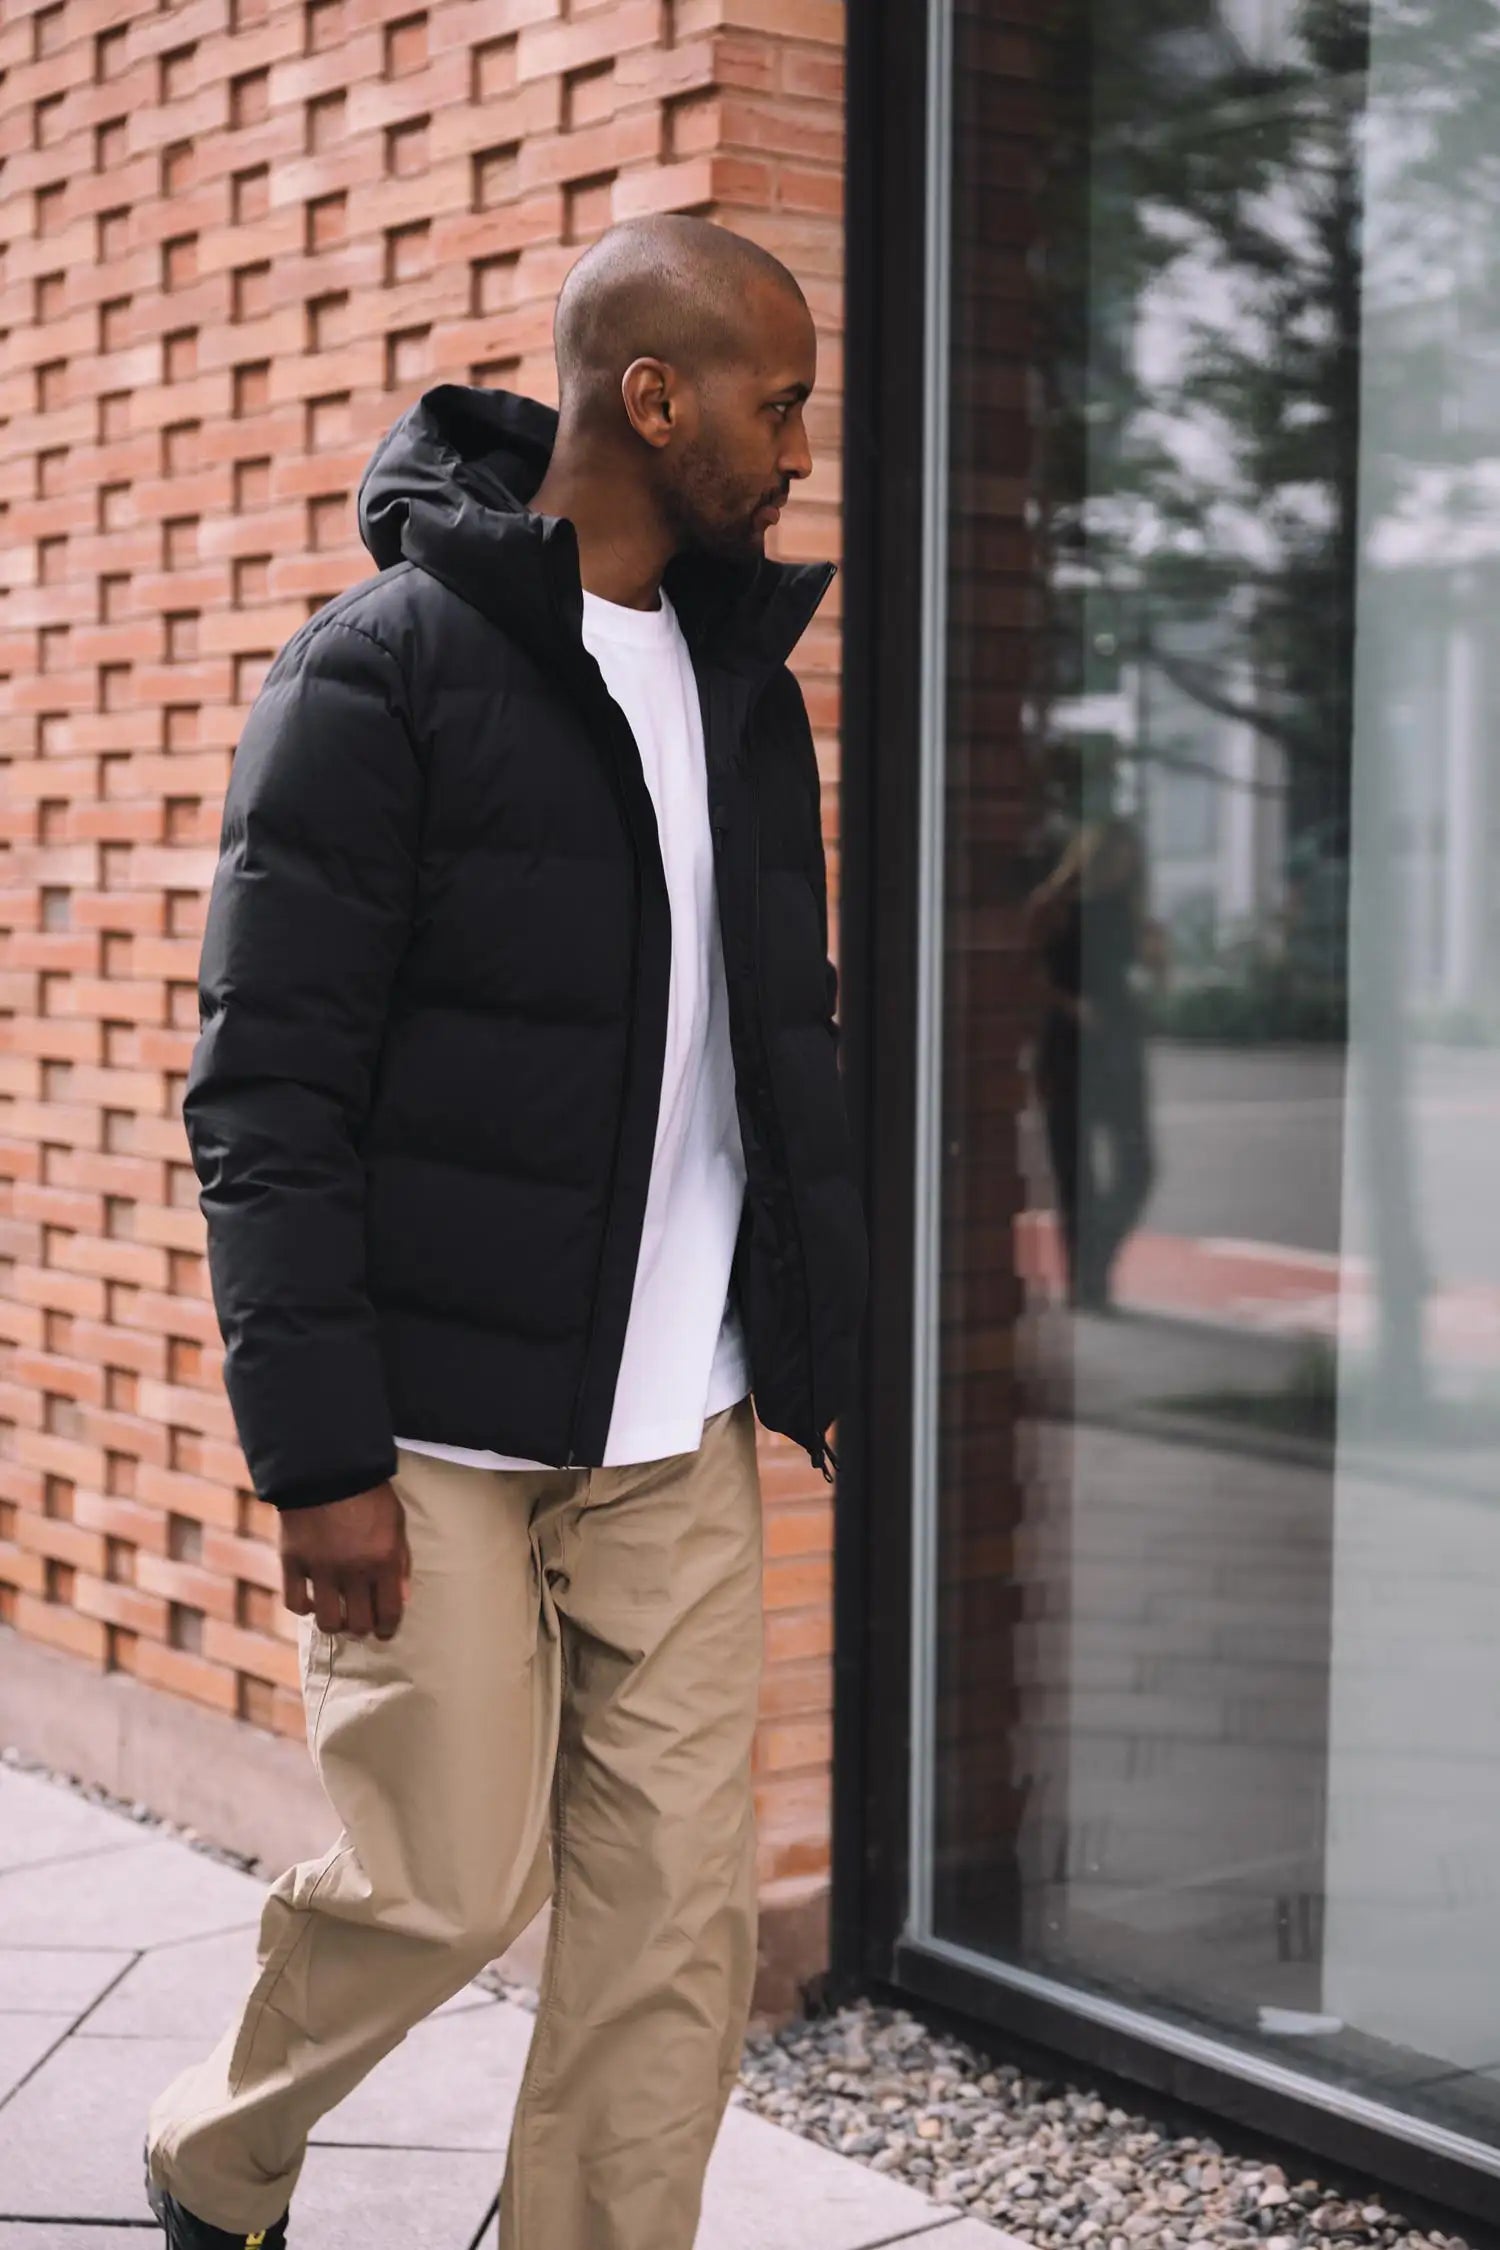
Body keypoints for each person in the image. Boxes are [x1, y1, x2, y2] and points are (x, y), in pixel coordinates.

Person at [142, 214, 866, 2250]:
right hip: (434, 1435)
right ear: (653, 395)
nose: (799, 444)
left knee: (668, 1937)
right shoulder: (384, 670)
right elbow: (267, 1090)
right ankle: (219, 2151)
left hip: (678, 1429)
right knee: (444, 1883)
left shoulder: (746, 690)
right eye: (778, 397)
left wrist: (814, 1342)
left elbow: (763, 1050)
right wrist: (321, 1458)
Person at [1027, 813, 1160, 1311]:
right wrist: (1069, 1005)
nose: (1126, 866)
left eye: (1132, 858)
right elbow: (1022, 973)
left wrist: (1155, 959)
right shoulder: (1055, 906)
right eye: (1117, 855)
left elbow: (1144, 974)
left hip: (1120, 1046)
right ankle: (1089, 1285)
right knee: (1075, 1172)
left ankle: (1094, 1260)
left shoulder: (1127, 908)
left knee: (1138, 1167)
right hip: (1066, 1047)